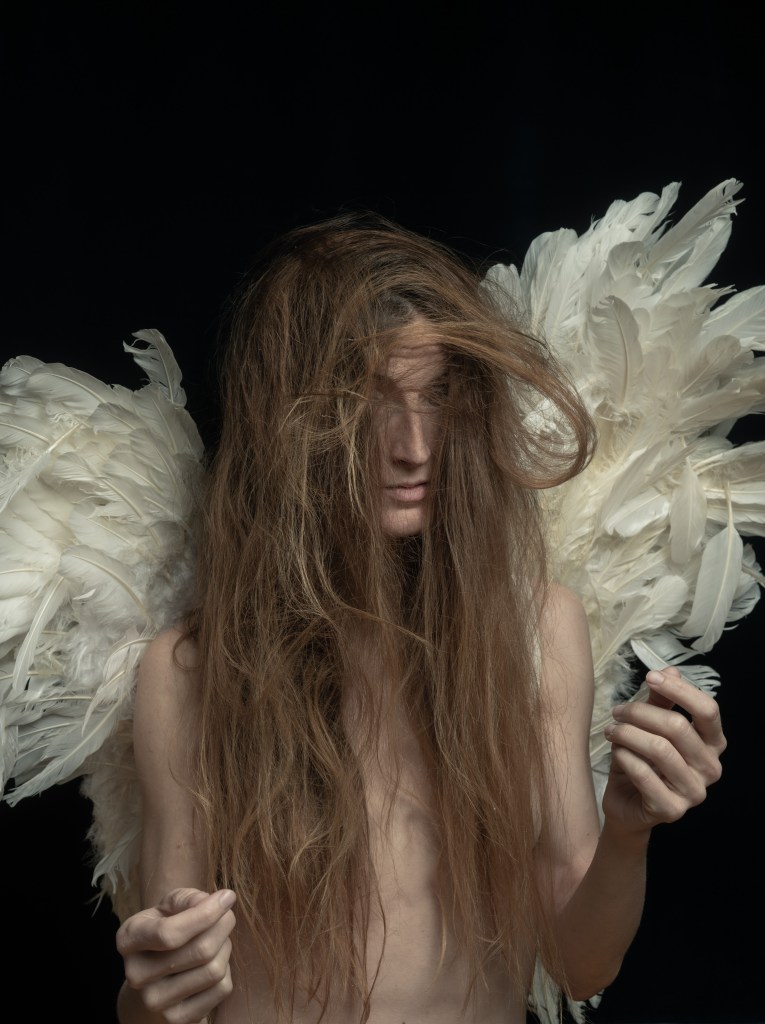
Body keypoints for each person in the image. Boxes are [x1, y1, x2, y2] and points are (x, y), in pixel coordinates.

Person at [113, 213, 726, 1024]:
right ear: (288, 426)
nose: (414, 447)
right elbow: (166, 999)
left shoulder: (537, 632)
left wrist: (626, 830)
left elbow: (579, 966)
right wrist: (149, 991)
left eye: (436, 397)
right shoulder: (191, 671)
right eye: (365, 402)